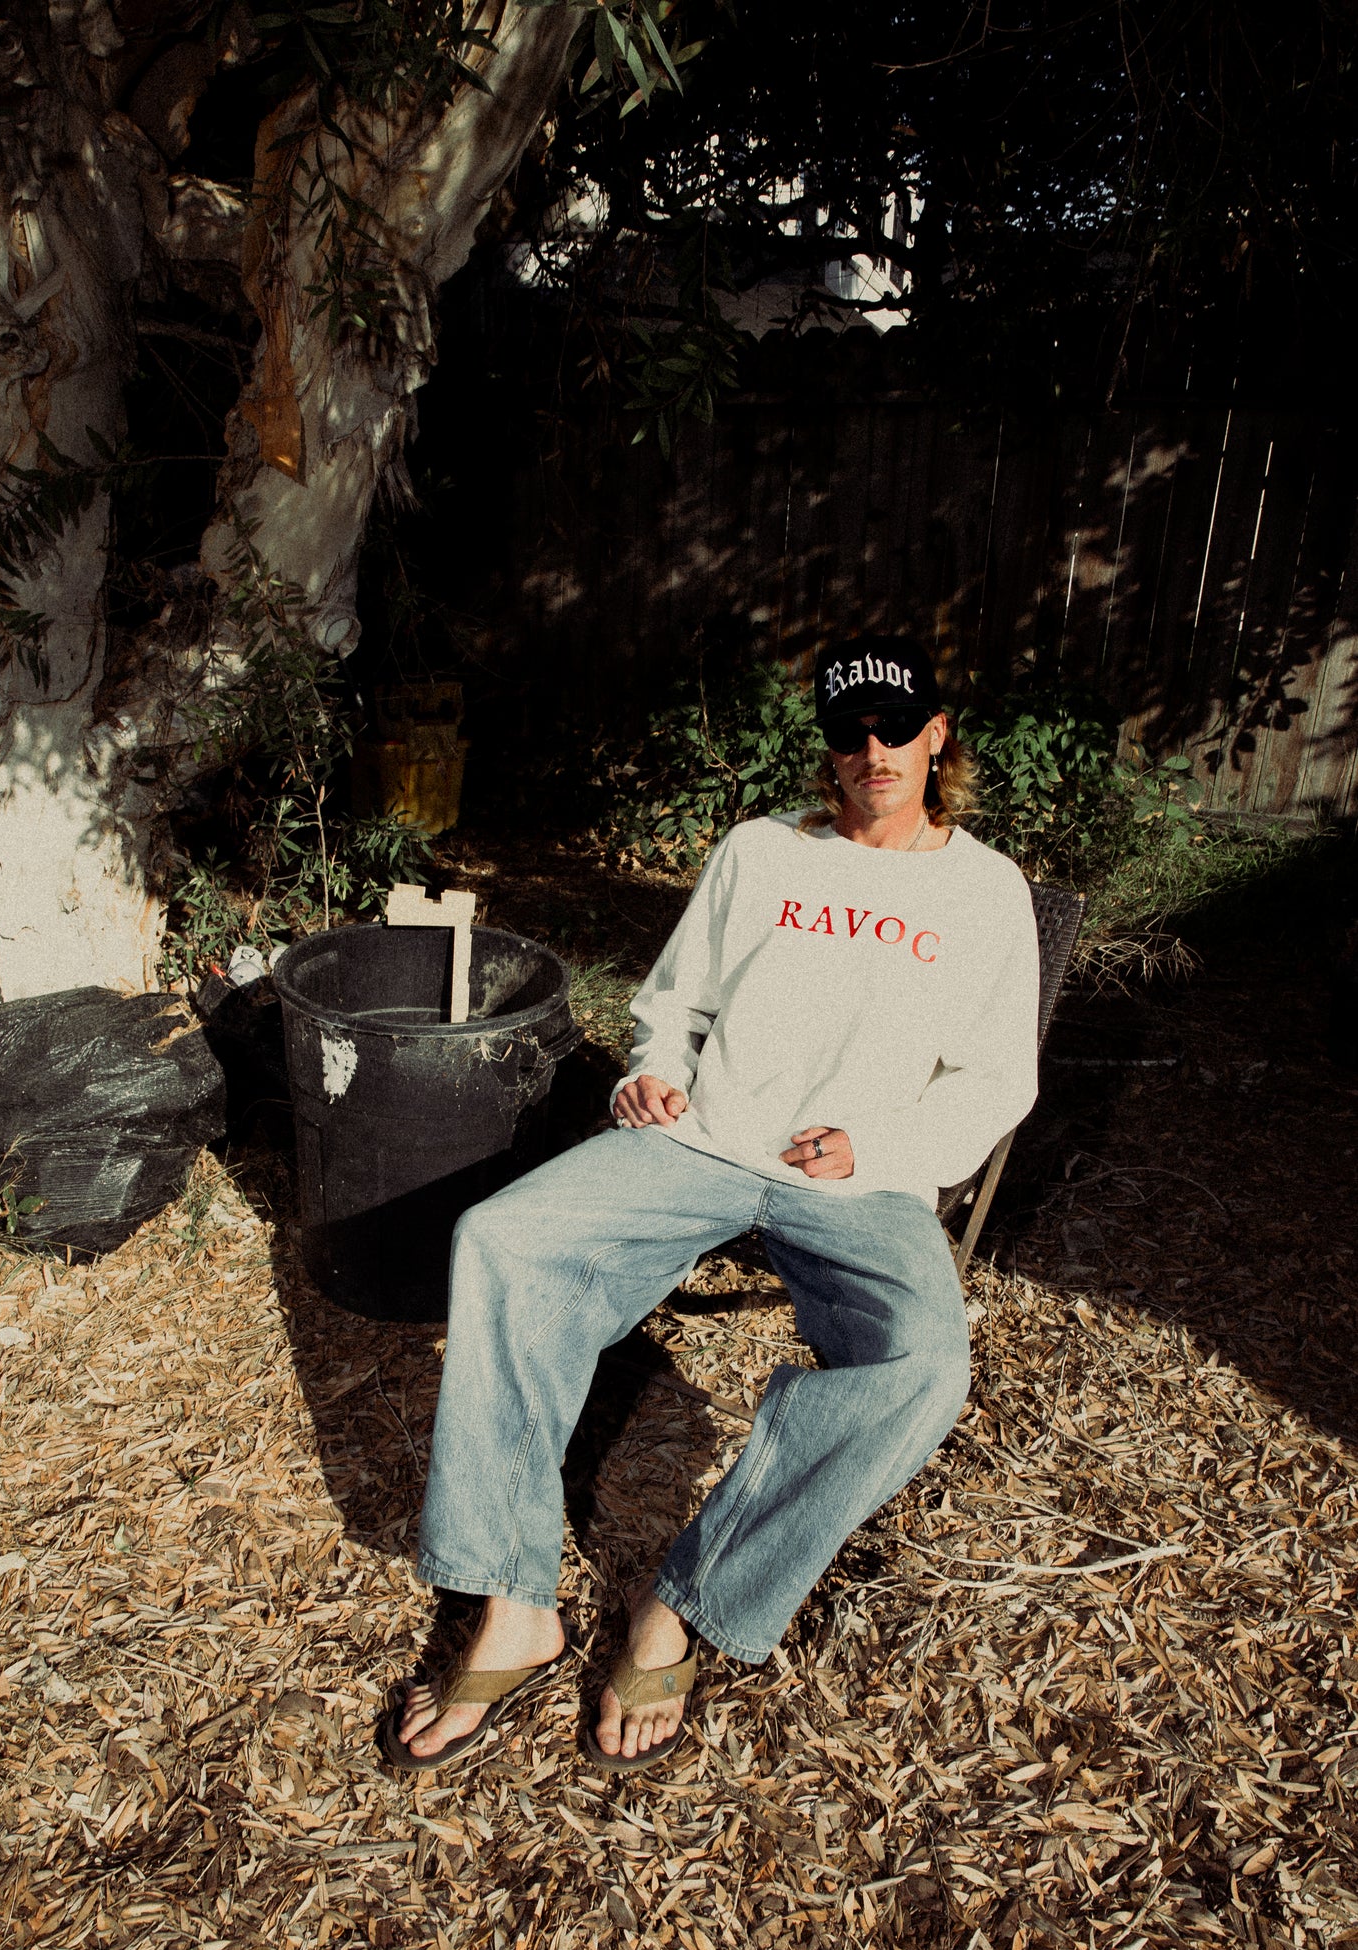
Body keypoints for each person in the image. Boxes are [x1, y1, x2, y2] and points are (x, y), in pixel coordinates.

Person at [388, 633, 1039, 1773]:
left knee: (924, 1364)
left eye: (895, 727)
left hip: (862, 1177)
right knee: (502, 1237)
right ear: (828, 753)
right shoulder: (761, 851)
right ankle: (511, 1599)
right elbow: (675, 1001)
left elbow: (996, 1080)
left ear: (938, 737)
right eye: (848, 733)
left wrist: (879, 1143)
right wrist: (655, 1063)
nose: (872, 750)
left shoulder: (985, 894)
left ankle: (684, 1599)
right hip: (704, 1141)